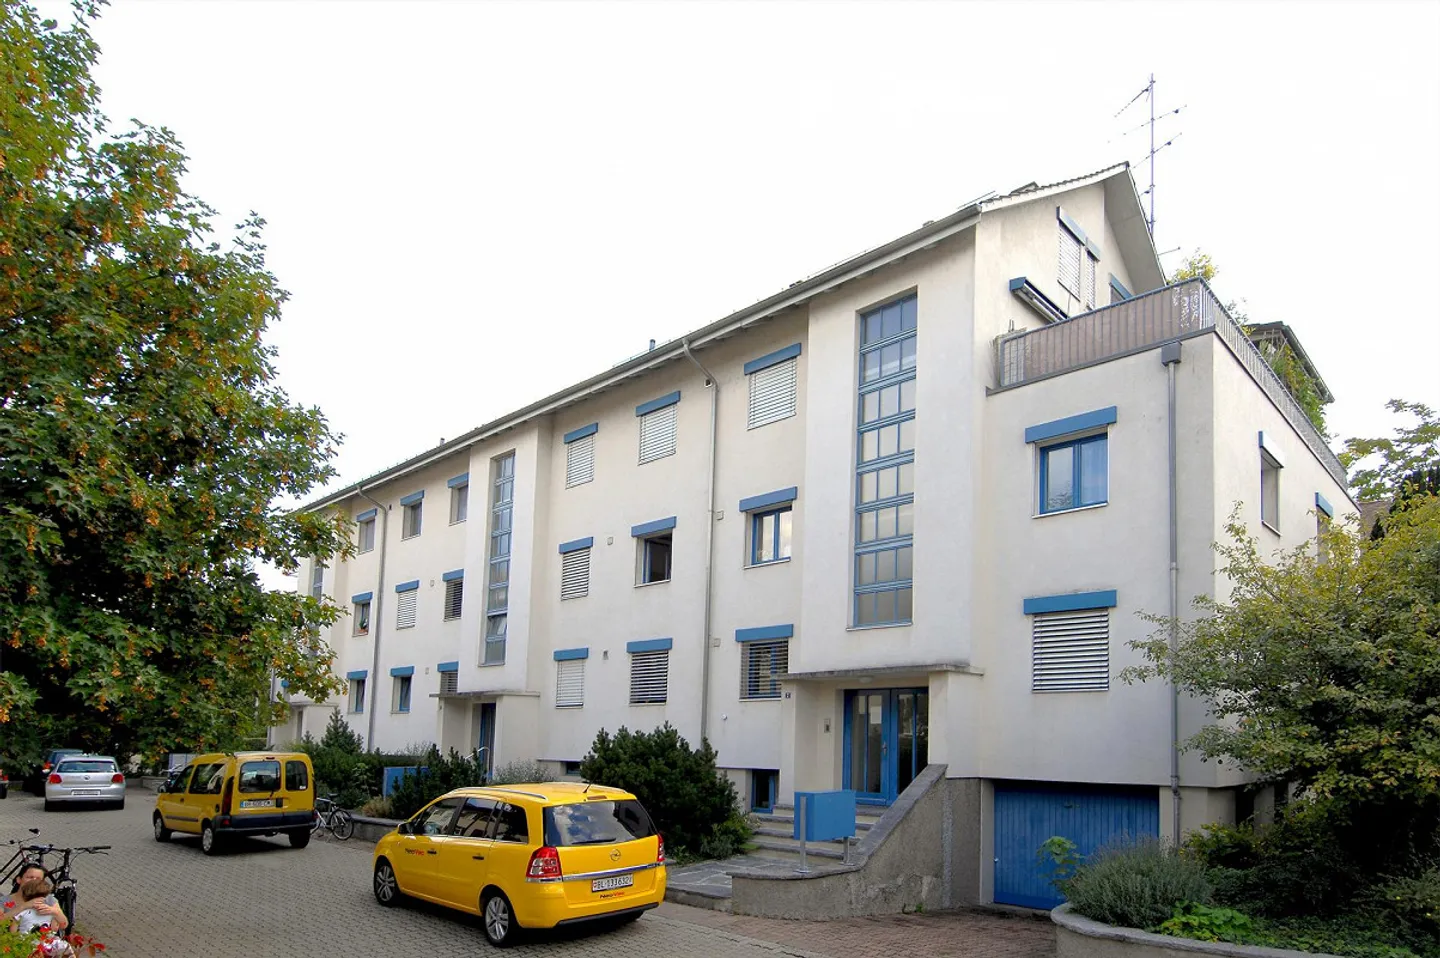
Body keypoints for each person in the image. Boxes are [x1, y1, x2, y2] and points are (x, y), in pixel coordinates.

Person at [8, 874, 73, 955]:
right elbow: (13, 932)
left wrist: (55, 913)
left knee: (65, 947)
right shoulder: (23, 911)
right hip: (27, 943)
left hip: (46, 943)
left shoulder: (49, 910)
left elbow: (61, 926)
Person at [5, 864, 69, 933]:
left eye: (38, 879)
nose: (34, 881)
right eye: (30, 877)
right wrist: (24, 906)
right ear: (19, 879)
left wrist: (56, 912)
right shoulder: (5, 900)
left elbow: (63, 925)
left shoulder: (48, 899)